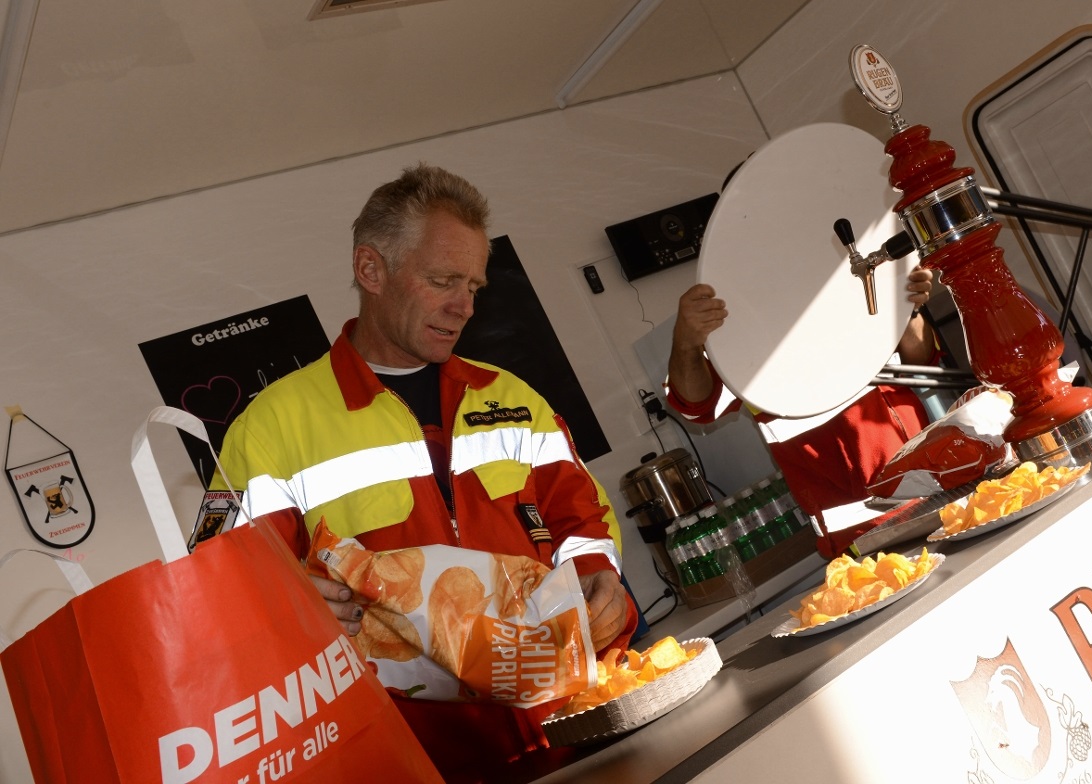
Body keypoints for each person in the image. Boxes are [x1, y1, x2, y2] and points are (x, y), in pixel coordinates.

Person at [214, 163, 635, 782]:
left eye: (473, 285)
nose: (463, 306)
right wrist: (298, 611)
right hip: (415, 762)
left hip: (572, 733)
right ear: (370, 270)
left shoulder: (511, 395)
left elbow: (582, 518)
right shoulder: (270, 429)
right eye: (442, 280)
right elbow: (233, 592)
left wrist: (599, 577)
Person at [665, 269, 939, 550]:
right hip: (864, 534)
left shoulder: (851, 276)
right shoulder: (738, 327)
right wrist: (686, 341)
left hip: (941, 485)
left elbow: (919, 360)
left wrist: (909, 306)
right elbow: (695, 406)